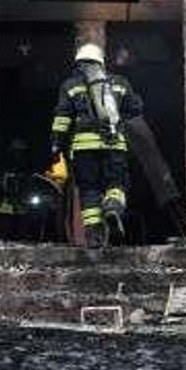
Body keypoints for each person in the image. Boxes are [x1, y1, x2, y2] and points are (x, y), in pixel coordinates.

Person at [49, 43, 143, 247]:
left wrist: (56, 144)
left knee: (89, 188)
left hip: (84, 149)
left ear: (78, 63)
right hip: (114, 145)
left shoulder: (70, 85)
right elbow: (135, 108)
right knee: (117, 183)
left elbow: (62, 118)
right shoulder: (120, 82)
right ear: (101, 62)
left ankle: (94, 236)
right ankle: (112, 207)